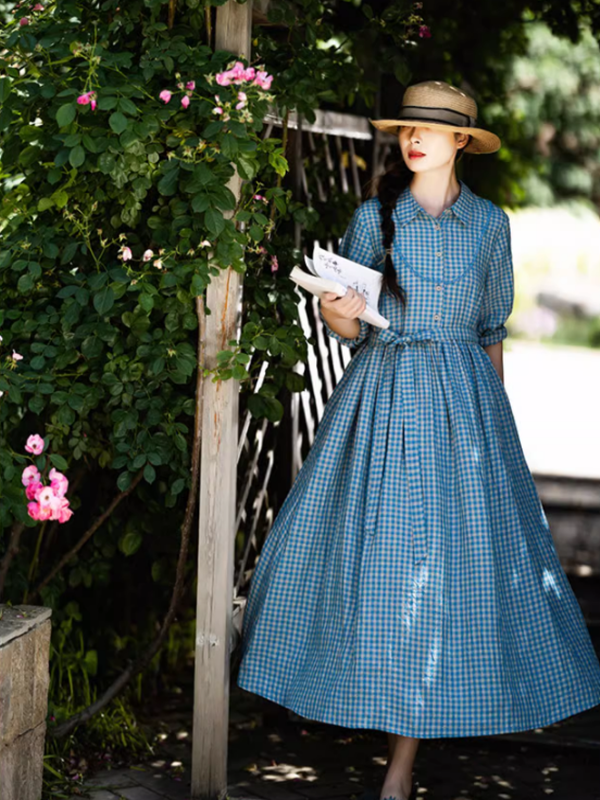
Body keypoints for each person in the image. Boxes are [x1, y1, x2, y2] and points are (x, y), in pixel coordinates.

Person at [236, 80, 600, 800]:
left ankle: (402, 767)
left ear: (461, 140)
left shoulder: (490, 225)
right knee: (379, 568)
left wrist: (495, 433)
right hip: (380, 398)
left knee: (447, 580)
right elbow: (349, 326)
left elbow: (492, 330)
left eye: (431, 129)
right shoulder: (375, 216)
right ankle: (359, 702)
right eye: (407, 127)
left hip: (464, 410)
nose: (414, 138)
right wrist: (339, 310)